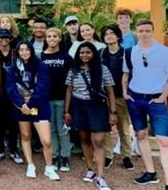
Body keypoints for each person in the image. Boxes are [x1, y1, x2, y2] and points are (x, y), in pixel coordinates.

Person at [64, 42, 118, 190]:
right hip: (78, 106)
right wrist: (67, 111)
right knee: (84, 138)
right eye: (81, 53)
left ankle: (101, 176)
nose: (84, 55)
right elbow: (69, 90)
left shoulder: (102, 69)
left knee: (99, 141)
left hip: (97, 106)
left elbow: (110, 91)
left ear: (93, 53)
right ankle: (90, 169)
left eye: (88, 52)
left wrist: (113, 112)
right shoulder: (74, 69)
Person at [122, 20, 168, 188]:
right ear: (137, 32)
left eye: (147, 30)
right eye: (141, 31)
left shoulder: (164, 52)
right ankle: (150, 172)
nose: (144, 34)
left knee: (163, 140)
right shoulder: (130, 52)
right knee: (140, 135)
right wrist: (125, 93)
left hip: (156, 99)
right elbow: (125, 74)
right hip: (135, 99)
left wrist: (163, 96)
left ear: (153, 31)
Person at [6, 42, 60, 181]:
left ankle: (49, 167)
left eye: (27, 49)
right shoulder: (13, 68)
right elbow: (11, 88)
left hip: (39, 106)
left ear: (31, 50)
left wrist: (31, 102)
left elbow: (44, 86)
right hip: (21, 107)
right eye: (21, 50)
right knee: (25, 135)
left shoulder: (41, 66)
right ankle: (30, 164)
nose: (24, 52)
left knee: (46, 140)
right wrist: (21, 103)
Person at [99, 24, 134, 171]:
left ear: (118, 36)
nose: (109, 36)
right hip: (104, 95)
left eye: (112, 33)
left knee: (123, 127)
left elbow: (131, 74)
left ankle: (126, 156)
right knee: (106, 127)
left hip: (121, 95)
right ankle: (108, 155)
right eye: (106, 34)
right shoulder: (101, 53)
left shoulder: (126, 53)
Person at [41, 28, 72, 171]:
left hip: (61, 98)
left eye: (55, 36)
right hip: (45, 99)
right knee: (51, 129)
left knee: (63, 129)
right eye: (49, 36)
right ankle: (53, 155)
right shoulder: (41, 57)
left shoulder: (66, 57)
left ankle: (65, 156)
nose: (52, 39)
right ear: (45, 39)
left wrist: (68, 104)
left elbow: (70, 82)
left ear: (60, 38)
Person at [0, 29, 23, 164]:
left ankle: (13, 149)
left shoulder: (17, 53)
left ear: (10, 39)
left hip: (14, 94)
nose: (4, 40)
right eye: (1, 38)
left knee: (13, 123)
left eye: (6, 38)